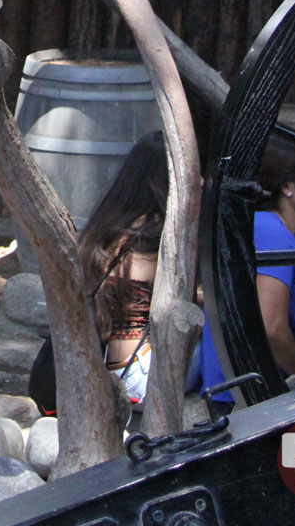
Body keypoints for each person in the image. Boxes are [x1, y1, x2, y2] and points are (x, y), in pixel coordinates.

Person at [199, 135, 295, 397]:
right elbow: (272, 328)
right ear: (287, 186)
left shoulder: (288, 234)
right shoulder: (269, 231)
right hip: (253, 400)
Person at [79, 129, 168, 407]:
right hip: (142, 371)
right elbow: (175, 300)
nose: (201, 181)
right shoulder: (155, 234)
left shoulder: (109, 227)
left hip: (110, 363)